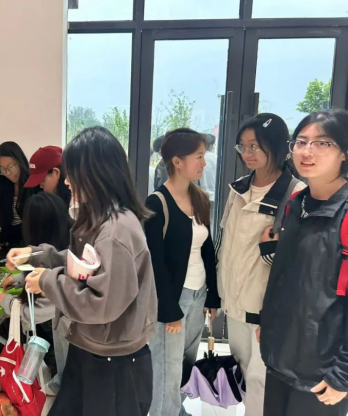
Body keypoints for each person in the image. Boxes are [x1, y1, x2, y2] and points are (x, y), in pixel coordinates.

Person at [6, 126, 157, 416]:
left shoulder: (116, 232)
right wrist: (36, 255)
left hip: (113, 363)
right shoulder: (99, 218)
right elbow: (82, 264)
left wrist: (47, 281)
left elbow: (101, 304)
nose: (67, 181)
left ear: (95, 174)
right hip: (93, 349)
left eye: (72, 173)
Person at [260, 109, 348, 416]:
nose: (307, 151)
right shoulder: (296, 205)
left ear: (344, 153)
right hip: (280, 359)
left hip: (321, 373)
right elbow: (286, 278)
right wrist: (268, 326)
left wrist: (342, 374)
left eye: (322, 143)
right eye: (300, 141)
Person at [217, 113, 306, 416]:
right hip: (234, 304)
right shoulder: (238, 188)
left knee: (261, 381)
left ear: (276, 146)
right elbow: (225, 243)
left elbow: (297, 263)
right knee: (243, 373)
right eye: (242, 146)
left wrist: (270, 250)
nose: (247, 153)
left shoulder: (295, 194)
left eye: (255, 146)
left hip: (265, 309)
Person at [144, 128, 220, 416]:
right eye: (198, 156)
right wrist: (168, 310)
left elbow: (207, 248)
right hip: (173, 299)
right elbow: (155, 263)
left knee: (186, 362)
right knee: (167, 366)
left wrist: (213, 295)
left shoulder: (199, 197)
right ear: (177, 161)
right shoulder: (157, 202)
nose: (204, 163)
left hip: (198, 294)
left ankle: (174, 409)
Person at [0, 192, 73, 385]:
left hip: (65, 336)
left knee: (65, 374)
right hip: (64, 335)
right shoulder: (67, 246)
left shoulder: (57, 271)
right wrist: (19, 278)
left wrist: (7, 302)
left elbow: (36, 312)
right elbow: (47, 264)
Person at [0, 142, 37, 262]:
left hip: (28, 247)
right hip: (6, 247)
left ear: (19, 161)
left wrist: (4, 235)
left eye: (11, 167)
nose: (8, 173)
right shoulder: (3, 185)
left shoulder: (34, 184)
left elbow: (32, 222)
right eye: (2, 169)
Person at [200, 133, 217, 222]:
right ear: (211, 146)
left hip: (201, 196)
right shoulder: (216, 158)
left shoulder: (198, 158)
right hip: (215, 196)